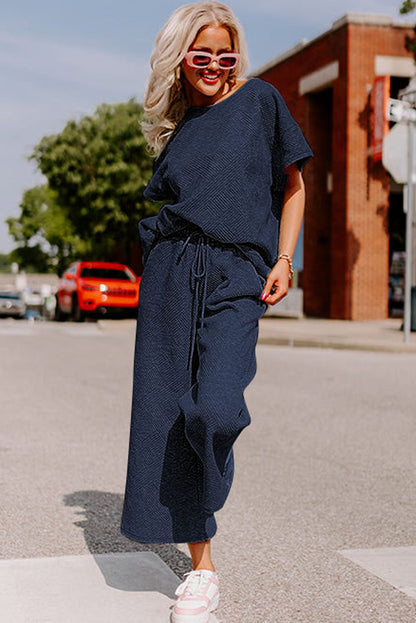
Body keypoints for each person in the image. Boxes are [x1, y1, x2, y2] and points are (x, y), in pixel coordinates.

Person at [120, 2, 313, 621]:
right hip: (172, 275)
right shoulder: (178, 132)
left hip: (238, 274)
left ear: (237, 58)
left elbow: (295, 184)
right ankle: (202, 569)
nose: (212, 66)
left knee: (214, 408)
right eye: (199, 56)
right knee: (166, 417)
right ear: (181, 60)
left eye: (223, 55)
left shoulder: (260, 101)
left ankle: (206, 487)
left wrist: (285, 260)